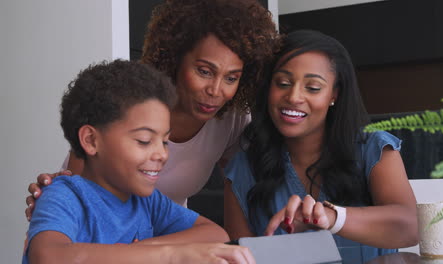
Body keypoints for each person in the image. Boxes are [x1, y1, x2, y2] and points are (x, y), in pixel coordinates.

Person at [25, 0, 279, 217]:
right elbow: (77, 205)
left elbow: (238, 191)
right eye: (204, 71)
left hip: (170, 242)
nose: (215, 90)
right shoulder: (121, 102)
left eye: (231, 78)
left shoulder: (231, 120)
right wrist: (53, 204)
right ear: (175, 58)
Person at [24, 60, 255, 264]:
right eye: (144, 141)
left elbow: (216, 235)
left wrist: (138, 250)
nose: (162, 154)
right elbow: (48, 257)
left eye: (164, 141)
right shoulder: (65, 196)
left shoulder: (147, 202)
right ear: (91, 140)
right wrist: (171, 256)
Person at [224, 30, 418, 263]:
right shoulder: (243, 169)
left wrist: (330, 217)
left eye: (313, 87)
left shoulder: (373, 149)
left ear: (334, 94)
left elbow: (410, 227)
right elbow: (238, 258)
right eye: (283, 83)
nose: (294, 96)